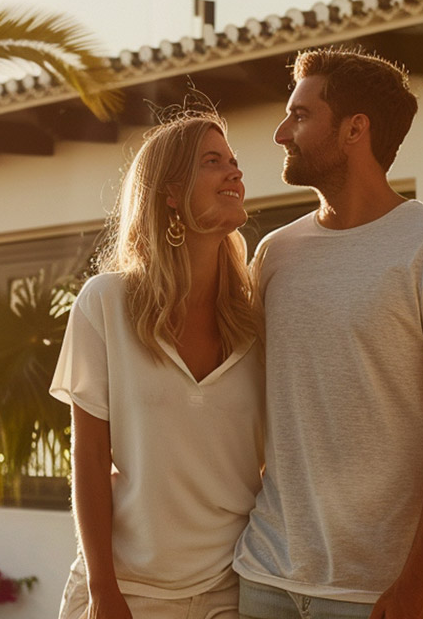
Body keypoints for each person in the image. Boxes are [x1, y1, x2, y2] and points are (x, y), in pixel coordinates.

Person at [232, 46, 423, 619]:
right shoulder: (275, 253)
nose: (281, 133)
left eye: (301, 115)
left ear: (355, 129)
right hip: (263, 577)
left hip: (376, 594)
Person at [50, 107, 265, 619]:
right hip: (125, 591)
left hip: (230, 591)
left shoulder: (258, 317)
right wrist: (103, 590)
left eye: (233, 160)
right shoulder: (105, 303)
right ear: (170, 192)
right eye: (212, 161)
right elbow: (90, 458)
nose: (234, 171)